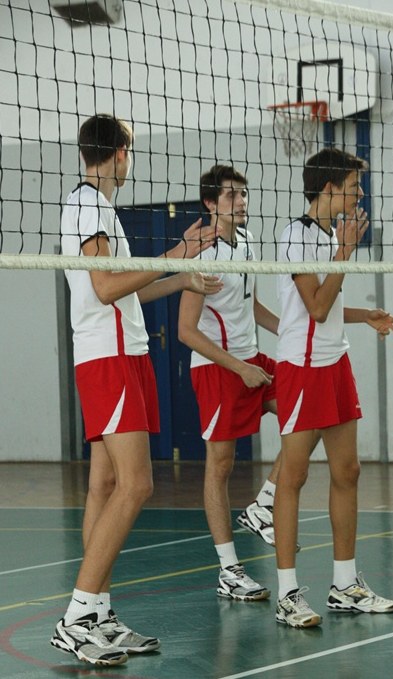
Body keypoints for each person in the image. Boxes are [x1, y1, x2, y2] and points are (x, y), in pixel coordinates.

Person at [50, 113, 222, 666]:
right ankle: (77, 617)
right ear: (121, 152)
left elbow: (125, 292)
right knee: (137, 484)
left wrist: (180, 273)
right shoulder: (87, 204)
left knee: (104, 485)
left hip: (122, 352)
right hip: (110, 358)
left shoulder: (100, 208)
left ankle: (97, 613)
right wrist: (172, 256)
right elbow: (105, 288)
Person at [273, 147, 393, 629]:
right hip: (302, 367)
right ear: (329, 188)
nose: (360, 195)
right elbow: (313, 308)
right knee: (292, 478)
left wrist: (365, 313)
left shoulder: (330, 235)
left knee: (347, 471)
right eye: (354, 187)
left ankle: (345, 585)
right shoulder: (295, 236)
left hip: (334, 362)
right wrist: (345, 254)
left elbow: (326, 306)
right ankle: (287, 594)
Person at [178, 164, 290, 602]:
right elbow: (186, 331)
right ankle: (229, 570)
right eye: (231, 195)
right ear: (210, 203)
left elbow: (250, 304)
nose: (241, 202)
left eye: (243, 194)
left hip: (253, 359)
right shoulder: (201, 255)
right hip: (218, 368)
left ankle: (263, 507)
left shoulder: (247, 240)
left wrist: (292, 332)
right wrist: (239, 368)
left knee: (306, 416)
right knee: (220, 466)